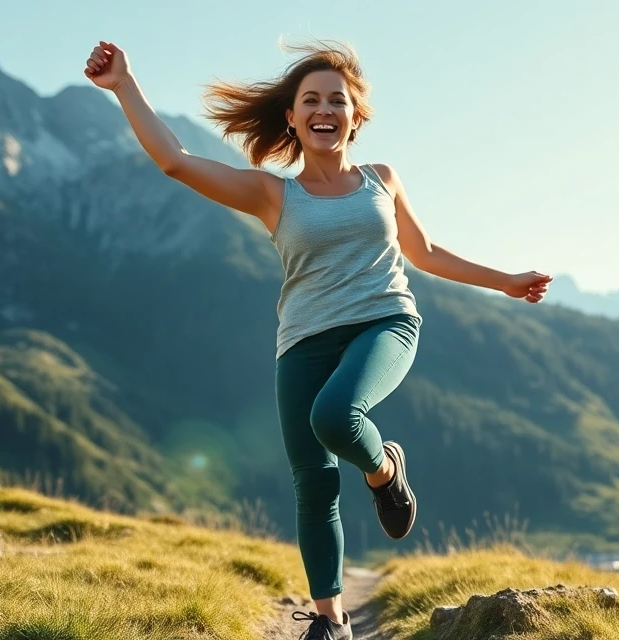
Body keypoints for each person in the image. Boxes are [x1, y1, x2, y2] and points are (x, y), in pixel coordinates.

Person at [83, 39, 551, 639]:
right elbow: (175, 161)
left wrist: (505, 282)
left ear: (355, 116)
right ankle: (331, 621)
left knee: (336, 415)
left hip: (384, 323)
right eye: (311, 100)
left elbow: (425, 253)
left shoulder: (382, 180)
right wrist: (124, 85)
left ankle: (385, 471)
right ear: (293, 117)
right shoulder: (274, 194)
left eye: (337, 99)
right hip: (303, 342)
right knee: (314, 482)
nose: (324, 108)